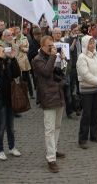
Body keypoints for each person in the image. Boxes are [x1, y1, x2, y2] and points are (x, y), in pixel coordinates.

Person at [32, 35, 66, 173]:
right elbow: (46, 72)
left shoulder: (53, 56)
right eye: (49, 46)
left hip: (58, 94)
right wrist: (53, 56)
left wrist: (62, 60)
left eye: (53, 45)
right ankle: (51, 158)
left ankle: (54, 149)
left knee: (57, 126)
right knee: (49, 129)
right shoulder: (37, 59)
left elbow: (60, 72)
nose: (52, 48)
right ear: (42, 46)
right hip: (48, 97)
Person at [0, 44, 22, 160]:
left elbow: (17, 73)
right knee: (1, 126)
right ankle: (0, 149)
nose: (1, 53)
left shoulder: (8, 61)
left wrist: (13, 59)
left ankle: (12, 147)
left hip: (9, 98)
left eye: (2, 50)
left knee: (11, 126)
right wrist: (0, 59)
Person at [76, 35, 97, 149]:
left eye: (93, 43)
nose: (92, 45)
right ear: (85, 44)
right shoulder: (82, 57)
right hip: (87, 90)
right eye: (90, 43)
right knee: (87, 114)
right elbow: (85, 74)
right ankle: (82, 139)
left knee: (96, 113)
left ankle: (94, 135)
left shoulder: (95, 55)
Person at [14, 26, 34, 99]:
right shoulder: (14, 40)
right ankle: (22, 93)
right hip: (17, 60)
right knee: (20, 78)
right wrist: (17, 47)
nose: (18, 33)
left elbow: (28, 49)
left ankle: (31, 93)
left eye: (19, 32)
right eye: (16, 32)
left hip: (24, 60)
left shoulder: (25, 39)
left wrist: (23, 48)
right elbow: (13, 50)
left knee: (27, 77)